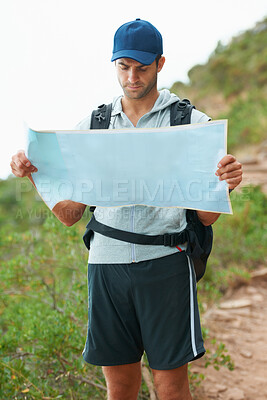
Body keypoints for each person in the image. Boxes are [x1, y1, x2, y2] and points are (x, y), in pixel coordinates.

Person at [10, 19, 242, 400]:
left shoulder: (190, 123)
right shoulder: (94, 126)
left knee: (170, 389)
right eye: (124, 67)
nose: (132, 76)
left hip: (166, 263)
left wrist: (225, 182)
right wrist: (34, 175)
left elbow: (206, 216)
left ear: (160, 63)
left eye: (142, 67)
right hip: (106, 267)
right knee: (119, 390)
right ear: (114, 64)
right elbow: (70, 214)